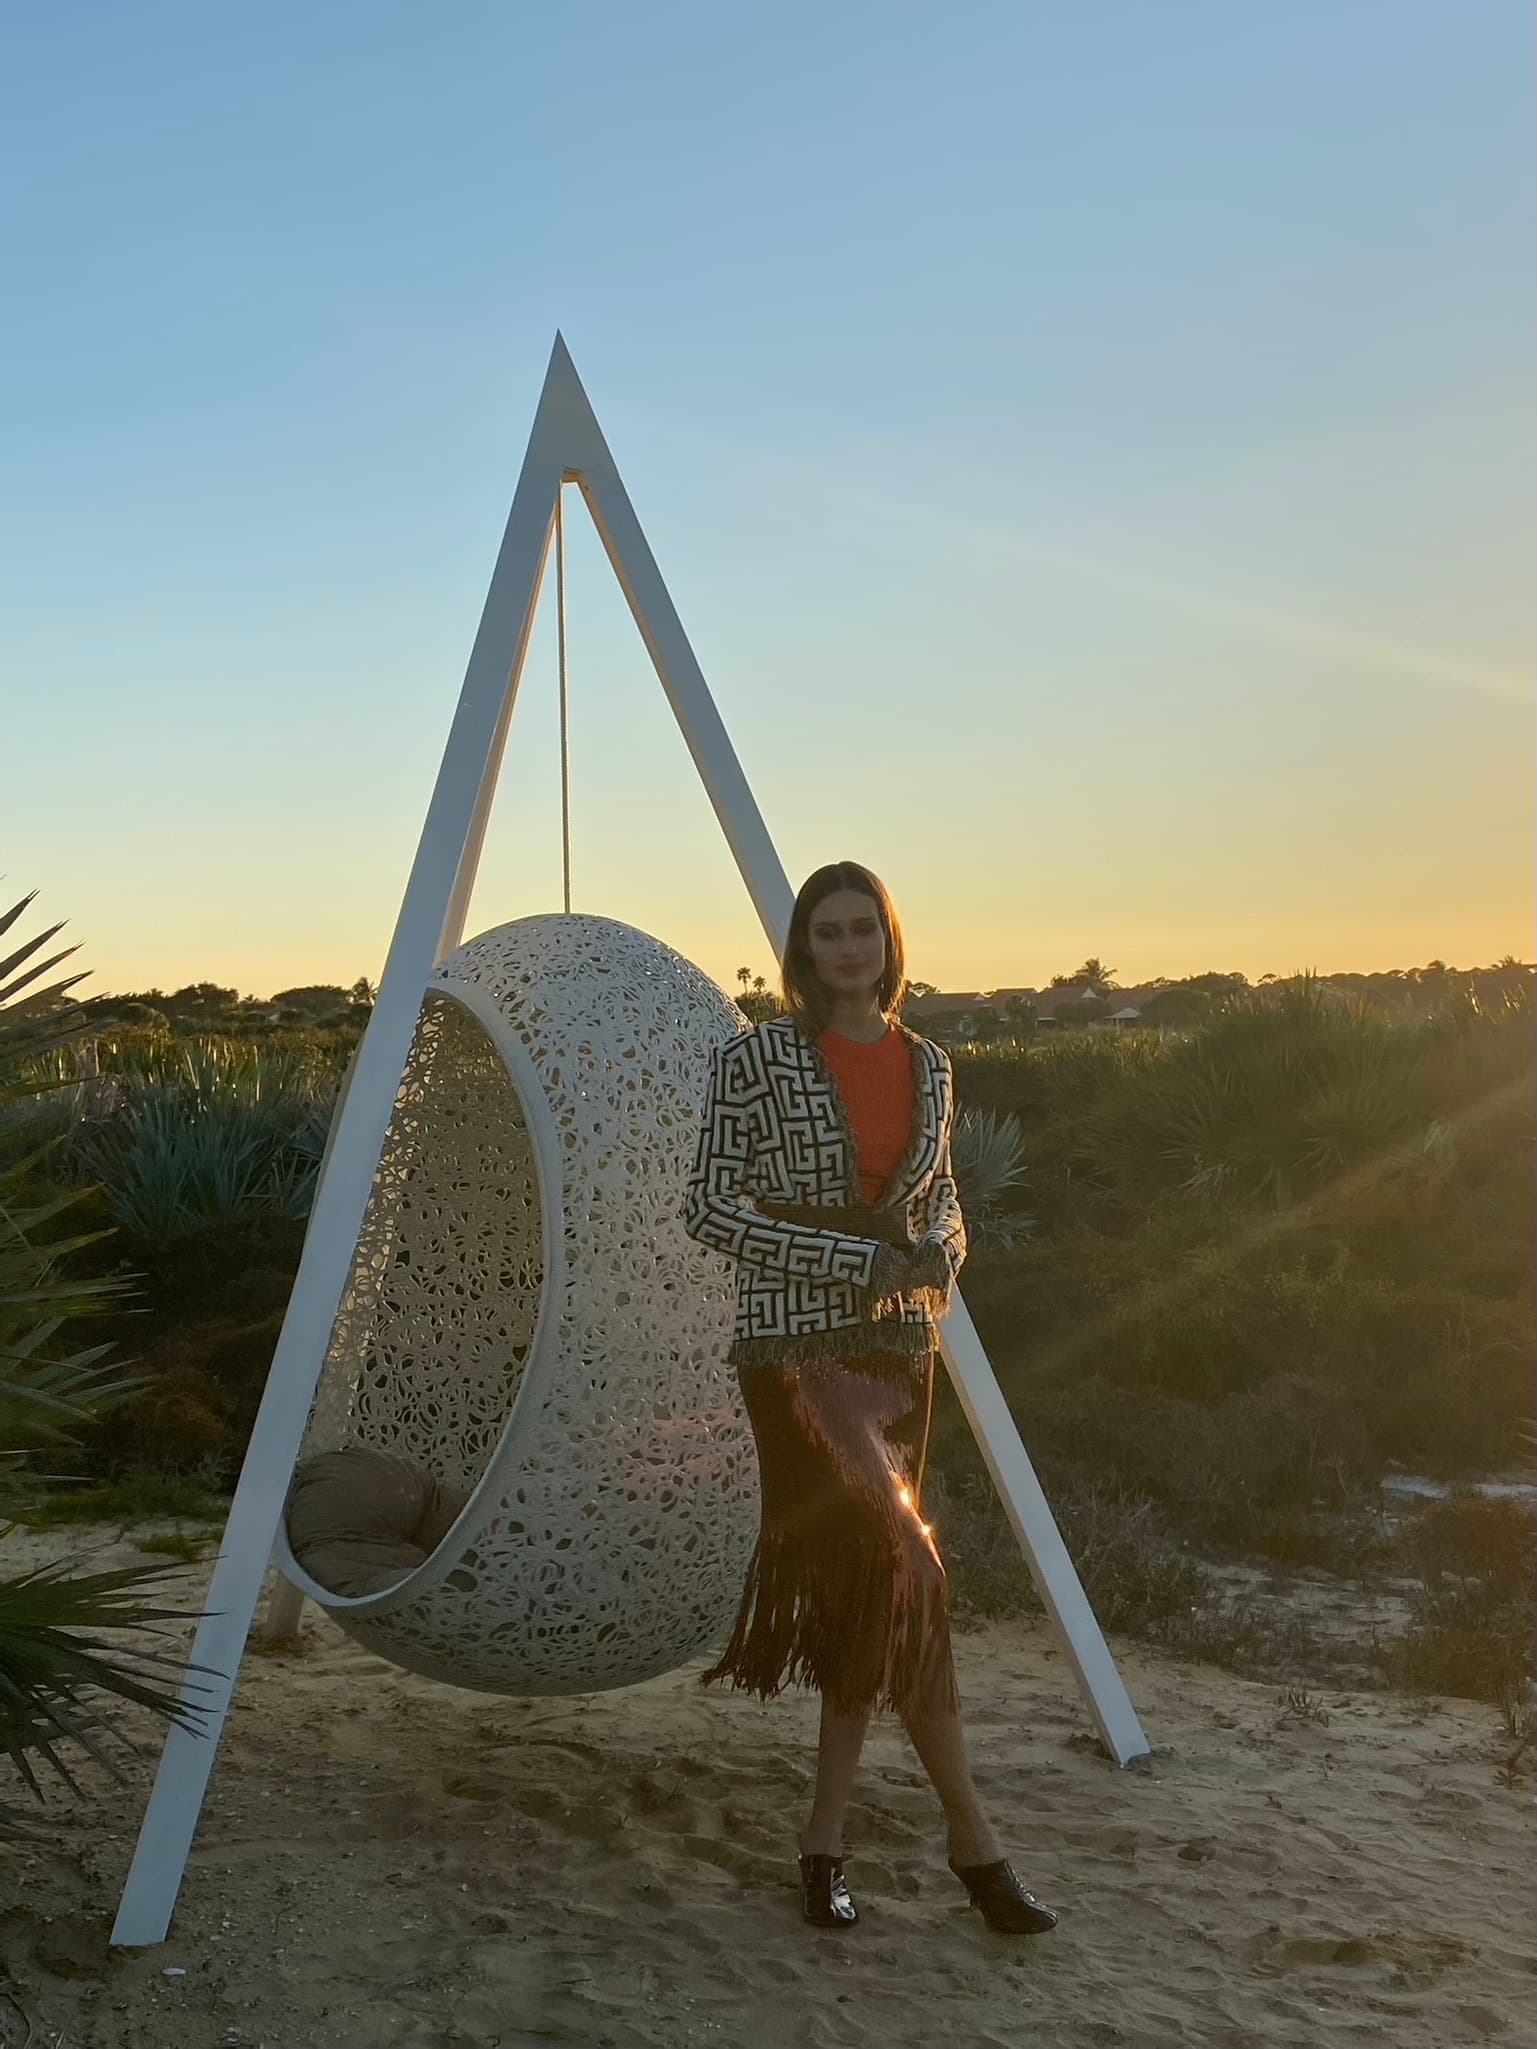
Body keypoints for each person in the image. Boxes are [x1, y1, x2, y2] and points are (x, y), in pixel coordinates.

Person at [683, 860, 1058, 1936]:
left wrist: (941, 1255)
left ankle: (822, 1842)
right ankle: (973, 1844)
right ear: (804, 952)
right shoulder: (755, 1058)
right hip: (795, 1351)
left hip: (899, 1358)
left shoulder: (931, 1065)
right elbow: (709, 1207)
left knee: (872, 1594)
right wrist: (846, 1262)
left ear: (889, 940)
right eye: (826, 934)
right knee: (911, 1570)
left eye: (863, 930)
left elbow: (940, 1203)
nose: (847, 949)